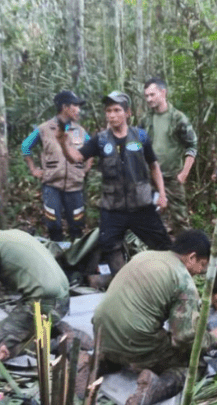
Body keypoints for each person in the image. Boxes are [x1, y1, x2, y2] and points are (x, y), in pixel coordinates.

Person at [91, 230, 217, 405]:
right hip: (134, 340)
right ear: (191, 257)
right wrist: (213, 337)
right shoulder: (183, 281)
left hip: (100, 331)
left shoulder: (145, 256)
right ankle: (154, 388)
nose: (200, 272)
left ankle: (98, 362)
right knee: (194, 366)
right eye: (201, 265)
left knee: (134, 338)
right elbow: (183, 338)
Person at [58, 91, 171, 274]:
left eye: (117, 110)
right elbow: (76, 157)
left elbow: (154, 166)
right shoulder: (100, 140)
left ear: (128, 113)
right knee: (109, 244)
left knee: (163, 244)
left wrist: (162, 195)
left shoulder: (140, 137)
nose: (112, 115)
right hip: (113, 207)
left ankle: (166, 279)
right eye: (108, 111)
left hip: (141, 204)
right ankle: (123, 280)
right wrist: (63, 143)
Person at [0, 213, 71, 363]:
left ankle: (55, 344)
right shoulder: (14, 234)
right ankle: (49, 332)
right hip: (63, 300)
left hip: (42, 303)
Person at [22, 91, 91, 241]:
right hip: (52, 184)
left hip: (75, 186)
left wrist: (85, 169)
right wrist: (33, 169)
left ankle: (76, 257)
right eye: (76, 106)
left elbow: (91, 149)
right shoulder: (44, 129)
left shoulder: (80, 131)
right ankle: (56, 254)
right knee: (53, 223)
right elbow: (25, 146)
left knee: (77, 224)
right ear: (65, 107)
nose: (79, 110)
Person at [140, 78, 198, 235]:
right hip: (151, 178)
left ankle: (186, 254)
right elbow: (138, 145)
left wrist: (184, 174)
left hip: (173, 178)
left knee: (180, 219)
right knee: (149, 218)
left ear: (163, 92)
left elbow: (192, 145)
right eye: (146, 96)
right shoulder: (145, 119)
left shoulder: (178, 118)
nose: (149, 99)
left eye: (152, 94)